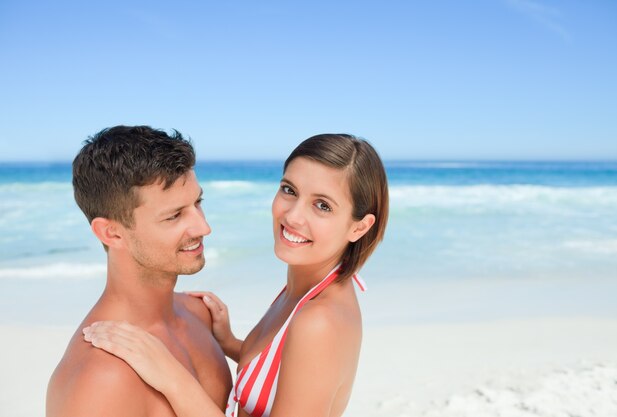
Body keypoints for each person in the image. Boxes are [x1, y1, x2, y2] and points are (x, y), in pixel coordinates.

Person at [83, 133, 389, 417]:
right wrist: (230, 343)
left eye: (322, 206)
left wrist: (172, 377)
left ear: (359, 227)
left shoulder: (319, 320)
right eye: (289, 190)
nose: (293, 215)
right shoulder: (304, 287)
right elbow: (293, 375)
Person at [46, 126, 232, 417]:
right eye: (174, 216)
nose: (203, 227)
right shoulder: (102, 378)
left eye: (198, 203)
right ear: (111, 233)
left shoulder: (200, 314)